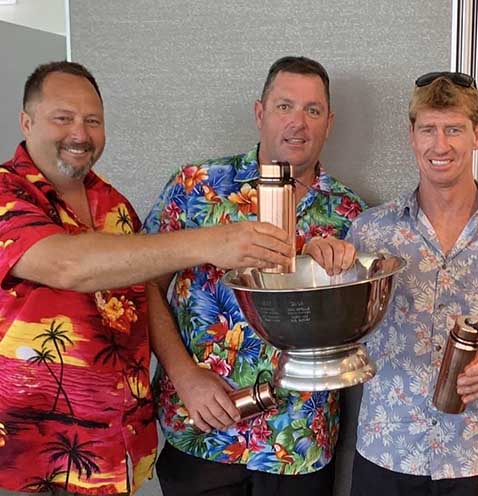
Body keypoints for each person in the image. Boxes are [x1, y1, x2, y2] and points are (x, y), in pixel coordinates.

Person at [0, 62, 294, 495]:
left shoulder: (113, 204)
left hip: (118, 453)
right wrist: (209, 243)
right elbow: (67, 265)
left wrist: (182, 371)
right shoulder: (7, 194)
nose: (80, 134)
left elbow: (142, 292)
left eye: (92, 121)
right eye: (63, 117)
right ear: (27, 122)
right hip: (34, 461)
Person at [143, 55, 365, 495]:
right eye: (285, 106)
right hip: (201, 432)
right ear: (260, 112)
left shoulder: (349, 213)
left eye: (313, 110)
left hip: (298, 441)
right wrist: (184, 375)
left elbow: (356, 331)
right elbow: (143, 284)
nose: (298, 122)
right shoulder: (196, 186)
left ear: (329, 123)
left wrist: (334, 275)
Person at [339, 71, 478, 495]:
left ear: (476, 135)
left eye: (453, 129)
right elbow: (342, 332)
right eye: (428, 129)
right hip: (387, 451)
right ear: (411, 136)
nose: (440, 145)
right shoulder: (369, 231)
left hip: (477, 457)